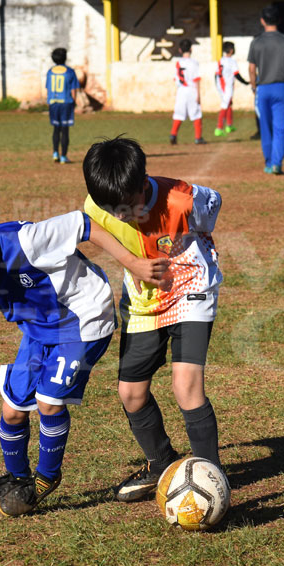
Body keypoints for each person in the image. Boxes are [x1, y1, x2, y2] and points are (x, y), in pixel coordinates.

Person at [0, 213, 168, 517]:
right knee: (11, 409)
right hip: (38, 328)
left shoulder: (27, 241)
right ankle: (18, 478)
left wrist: (133, 263)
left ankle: (46, 478)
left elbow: (85, 224)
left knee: (48, 402)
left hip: (82, 318)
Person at [81, 137, 223, 502]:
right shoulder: (99, 205)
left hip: (191, 288)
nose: (122, 217)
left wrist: (186, 245)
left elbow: (214, 205)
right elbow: (91, 227)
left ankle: (211, 476)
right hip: (144, 299)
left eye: (128, 209)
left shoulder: (183, 199)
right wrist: (133, 263)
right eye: (114, 211)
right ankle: (161, 462)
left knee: (185, 386)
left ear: (144, 184)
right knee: (130, 393)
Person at [248, 5, 284, 175]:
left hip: (263, 88)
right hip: (281, 87)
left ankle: (268, 162)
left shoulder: (256, 42)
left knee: (265, 127)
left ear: (262, 21)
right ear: (279, 20)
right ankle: (277, 164)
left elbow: (252, 69)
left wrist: (254, 87)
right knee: (280, 127)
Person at [46, 47, 78, 164]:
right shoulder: (70, 71)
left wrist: (49, 100)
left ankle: (55, 153)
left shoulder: (50, 71)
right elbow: (74, 89)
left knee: (56, 129)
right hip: (66, 102)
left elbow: (48, 88)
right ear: (65, 58)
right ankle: (63, 156)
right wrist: (74, 102)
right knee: (65, 130)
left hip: (53, 102)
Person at [170, 39, 205, 145]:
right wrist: (198, 95)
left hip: (181, 91)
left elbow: (176, 79)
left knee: (179, 113)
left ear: (180, 50)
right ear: (191, 49)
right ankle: (198, 138)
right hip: (191, 89)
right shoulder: (194, 63)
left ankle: (173, 134)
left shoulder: (178, 62)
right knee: (196, 113)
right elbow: (196, 79)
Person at [213, 41, 249, 137]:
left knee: (228, 103)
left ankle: (229, 125)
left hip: (221, 86)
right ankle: (219, 128)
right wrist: (245, 82)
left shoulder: (221, 60)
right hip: (227, 86)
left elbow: (216, 75)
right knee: (225, 105)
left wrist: (217, 86)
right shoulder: (231, 61)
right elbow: (236, 74)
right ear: (232, 50)